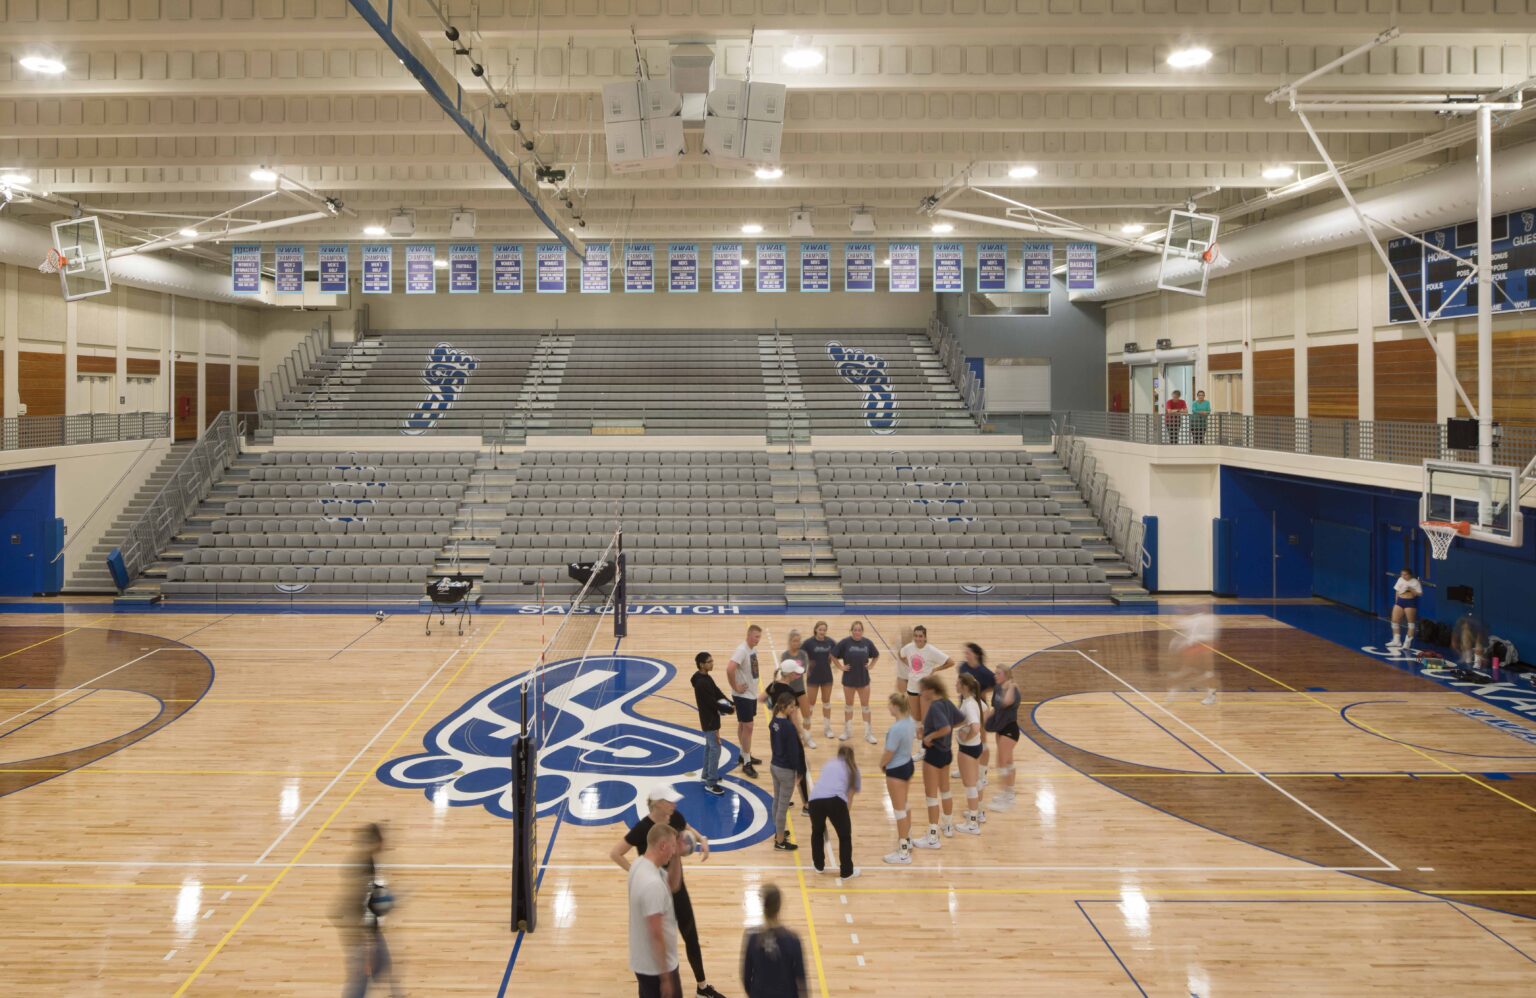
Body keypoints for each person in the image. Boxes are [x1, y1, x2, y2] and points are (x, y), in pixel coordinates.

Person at [611, 786, 727, 998]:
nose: (674, 804)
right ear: (658, 804)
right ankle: (659, 977)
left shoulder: (675, 818)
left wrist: (701, 839)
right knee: (658, 936)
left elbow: (687, 828)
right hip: (655, 892)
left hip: (675, 886)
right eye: (669, 801)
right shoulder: (643, 829)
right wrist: (636, 872)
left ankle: (702, 987)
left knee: (690, 936)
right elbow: (615, 853)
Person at [337, 822, 402, 998]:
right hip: (358, 931)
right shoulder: (363, 869)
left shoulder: (366, 861)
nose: (385, 843)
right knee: (360, 979)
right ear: (375, 841)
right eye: (382, 839)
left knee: (384, 962)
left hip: (362, 926)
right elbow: (362, 910)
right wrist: (368, 950)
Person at [627, 822, 683, 998]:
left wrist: (677, 857)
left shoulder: (639, 865)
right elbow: (656, 934)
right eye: (672, 846)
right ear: (663, 846)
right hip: (657, 970)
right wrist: (665, 978)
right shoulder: (653, 885)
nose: (673, 850)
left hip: (643, 963)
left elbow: (673, 885)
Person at [916, 676, 962, 846]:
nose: (921, 693)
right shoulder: (947, 702)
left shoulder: (935, 707)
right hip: (946, 752)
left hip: (934, 754)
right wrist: (934, 732)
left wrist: (930, 736)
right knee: (945, 790)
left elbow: (946, 727)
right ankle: (948, 826)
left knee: (931, 796)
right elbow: (960, 720)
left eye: (923, 690)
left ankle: (933, 836)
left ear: (931, 690)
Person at [739, 884, 806, 998]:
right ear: (779, 906)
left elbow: (746, 976)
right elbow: (801, 979)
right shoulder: (793, 940)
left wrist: (754, 994)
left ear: (763, 906)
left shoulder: (752, 937)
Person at [807, 745, 861, 880]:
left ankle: (818, 865)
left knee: (817, 832)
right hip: (836, 801)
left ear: (839, 754)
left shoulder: (830, 763)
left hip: (814, 800)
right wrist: (844, 820)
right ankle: (846, 872)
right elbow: (849, 797)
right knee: (844, 836)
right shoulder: (854, 770)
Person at [878, 691, 918, 864]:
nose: (888, 707)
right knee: (905, 804)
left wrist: (881, 764)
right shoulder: (910, 722)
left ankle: (903, 852)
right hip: (908, 764)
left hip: (896, 769)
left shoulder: (896, 729)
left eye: (889, 705)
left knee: (899, 810)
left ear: (895, 706)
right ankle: (908, 839)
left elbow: (889, 752)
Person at [691, 652, 732, 797]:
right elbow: (712, 703)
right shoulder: (701, 683)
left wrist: (729, 702)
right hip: (710, 721)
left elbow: (716, 691)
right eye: (709, 662)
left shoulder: (704, 677)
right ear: (702, 664)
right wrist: (729, 709)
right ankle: (711, 783)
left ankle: (707, 774)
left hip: (709, 719)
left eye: (712, 661)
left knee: (709, 747)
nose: (712, 663)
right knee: (715, 749)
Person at [832, 621, 880, 744]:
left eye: (859, 630)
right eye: (855, 630)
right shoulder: (845, 642)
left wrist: (871, 666)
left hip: (863, 679)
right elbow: (833, 655)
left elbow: (876, 655)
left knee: (865, 707)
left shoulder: (867, 643)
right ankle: (847, 732)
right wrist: (840, 667)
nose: (857, 632)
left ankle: (868, 734)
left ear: (862, 631)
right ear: (851, 631)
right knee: (849, 706)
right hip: (849, 680)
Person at [768, 693, 804, 852]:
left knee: (777, 801)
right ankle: (780, 842)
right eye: (791, 706)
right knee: (783, 807)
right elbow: (794, 752)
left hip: (774, 765)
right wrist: (800, 771)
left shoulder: (774, 721)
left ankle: (779, 832)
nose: (794, 709)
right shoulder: (788, 727)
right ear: (783, 706)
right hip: (786, 770)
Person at [728, 626, 765, 778]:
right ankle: (747, 763)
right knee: (748, 727)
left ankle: (744, 754)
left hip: (750, 694)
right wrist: (735, 686)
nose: (758, 639)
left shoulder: (752, 649)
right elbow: (730, 669)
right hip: (742, 695)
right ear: (749, 635)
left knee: (743, 725)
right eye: (756, 636)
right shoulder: (742, 650)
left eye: (759, 637)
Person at [956, 642, 995, 782]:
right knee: (963, 737)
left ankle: (982, 774)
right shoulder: (963, 667)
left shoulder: (984, 672)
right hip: (964, 705)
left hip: (979, 708)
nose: (966, 655)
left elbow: (996, 684)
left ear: (976, 655)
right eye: (965, 653)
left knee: (981, 742)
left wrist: (983, 692)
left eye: (968, 653)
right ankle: (964, 767)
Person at [986, 663, 1022, 811]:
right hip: (1000, 729)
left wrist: (1011, 685)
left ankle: (1005, 797)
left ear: (1006, 675)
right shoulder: (997, 688)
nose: (995, 676)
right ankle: (1009, 793)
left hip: (1010, 729)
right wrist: (986, 718)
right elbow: (996, 707)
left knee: (1000, 762)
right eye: (995, 673)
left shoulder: (1013, 689)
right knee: (1008, 762)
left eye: (998, 673)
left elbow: (1007, 702)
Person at [954, 674, 986, 835]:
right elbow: (986, 711)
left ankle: (972, 824)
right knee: (976, 781)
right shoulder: (974, 701)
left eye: (958, 683)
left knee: (970, 785)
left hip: (968, 749)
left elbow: (975, 727)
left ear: (965, 687)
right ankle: (978, 812)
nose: (955, 685)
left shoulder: (969, 705)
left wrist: (965, 736)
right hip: (976, 746)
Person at [801, 621, 838, 740]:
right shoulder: (808, 643)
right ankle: (806, 730)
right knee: (810, 704)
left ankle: (827, 729)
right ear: (816, 630)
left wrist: (836, 664)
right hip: (813, 677)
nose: (822, 632)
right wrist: (803, 667)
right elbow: (799, 655)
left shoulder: (830, 642)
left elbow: (838, 652)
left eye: (824, 630)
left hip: (827, 676)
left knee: (826, 702)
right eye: (820, 629)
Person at [1389, 568, 1423, 651]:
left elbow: (1420, 594)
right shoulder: (1400, 579)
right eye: (1402, 574)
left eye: (1405, 574)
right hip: (1400, 601)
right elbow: (1397, 591)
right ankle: (1396, 641)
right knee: (1394, 620)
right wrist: (1396, 602)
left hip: (1410, 602)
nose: (1403, 576)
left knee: (1410, 623)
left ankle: (1407, 643)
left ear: (1410, 575)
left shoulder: (1415, 582)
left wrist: (1412, 589)